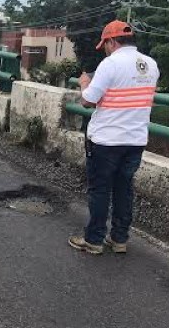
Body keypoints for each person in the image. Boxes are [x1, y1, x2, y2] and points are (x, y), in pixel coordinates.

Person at [68, 20, 159, 255]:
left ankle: (93, 240)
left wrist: (84, 84)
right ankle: (119, 239)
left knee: (100, 190)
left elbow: (88, 101)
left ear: (111, 41)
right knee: (124, 189)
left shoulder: (110, 64)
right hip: (135, 140)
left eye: (105, 44)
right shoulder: (150, 65)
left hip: (107, 140)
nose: (105, 49)